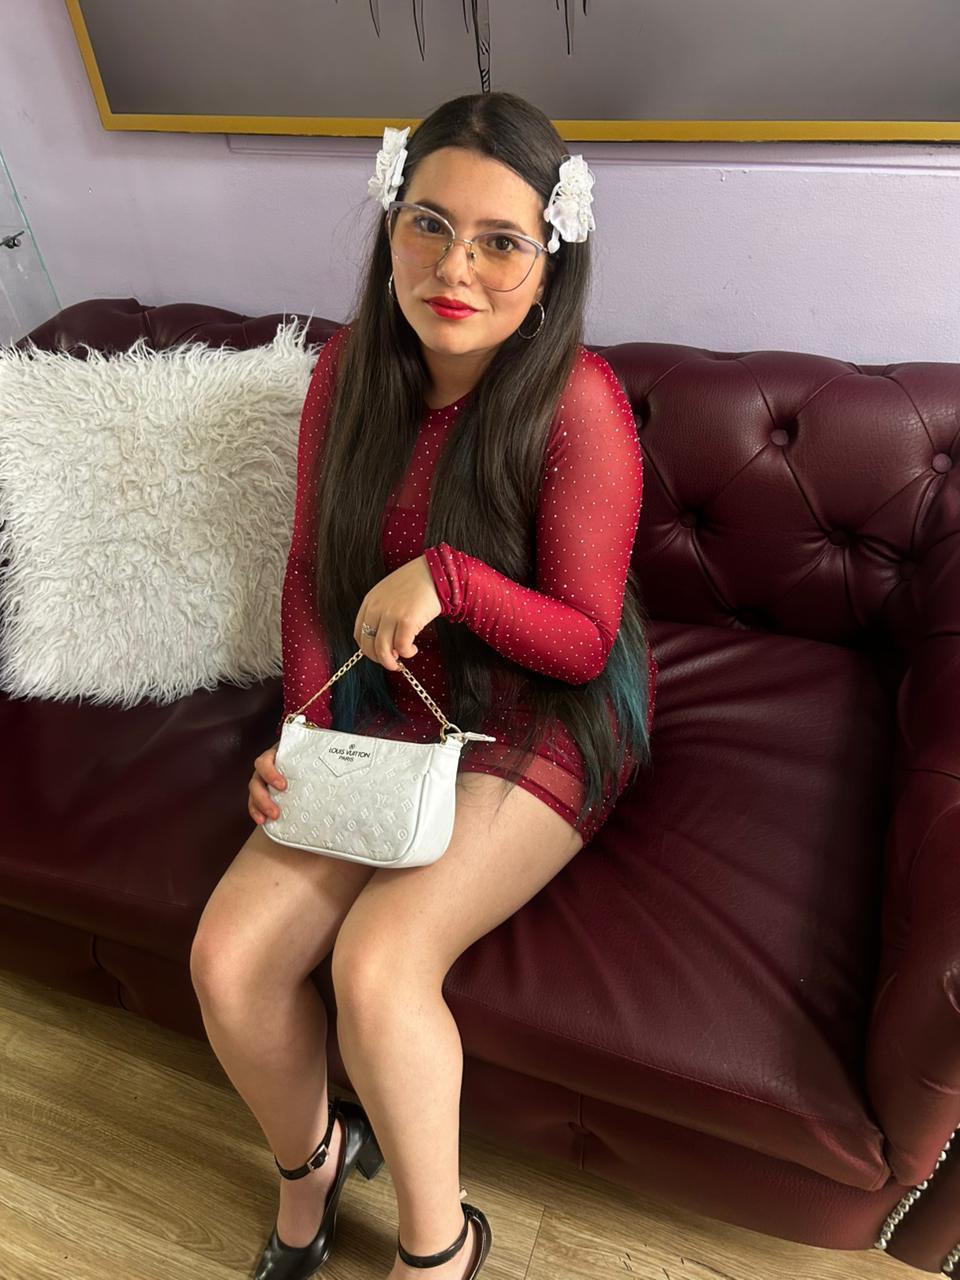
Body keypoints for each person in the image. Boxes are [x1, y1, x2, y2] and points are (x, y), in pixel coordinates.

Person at [189, 90, 657, 1280]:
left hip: (539, 709)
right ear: (391, 223)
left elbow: (584, 641)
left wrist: (451, 577)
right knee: (229, 959)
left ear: (549, 265)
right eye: (430, 225)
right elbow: (311, 572)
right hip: (390, 696)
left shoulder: (579, 402)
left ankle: (440, 1247)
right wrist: (306, 731)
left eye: (501, 241)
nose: (456, 267)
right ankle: (312, 1161)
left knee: (378, 964)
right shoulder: (350, 367)